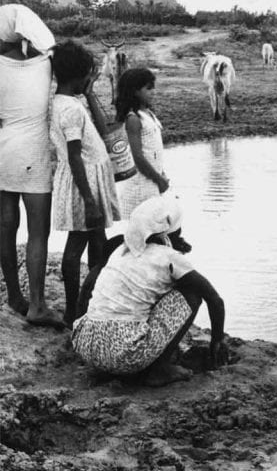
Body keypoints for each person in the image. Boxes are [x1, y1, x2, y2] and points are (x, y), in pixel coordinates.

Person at [71, 195, 226, 386]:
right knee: (191, 294)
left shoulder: (120, 250)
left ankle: (112, 364)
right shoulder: (169, 258)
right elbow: (215, 300)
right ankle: (160, 370)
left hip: (86, 346)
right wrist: (217, 340)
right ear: (171, 232)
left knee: (148, 293)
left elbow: (88, 288)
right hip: (123, 356)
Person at [49, 40, 122, 327]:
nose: (89, 80)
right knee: (76, 246)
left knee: (98, 242)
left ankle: (91, 304)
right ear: (79, 75)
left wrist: (89, 94)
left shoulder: (69, 102)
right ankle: (72, 311)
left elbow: (103, 133)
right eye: (88, 76)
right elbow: (75, 156)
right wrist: (90, 200)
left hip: (89, 180)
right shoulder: (70, 110)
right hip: (85, 185)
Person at [0, 31, 57, 325]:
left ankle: (13, 295)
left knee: (6, 227)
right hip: (33, 152)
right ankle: (37, 304)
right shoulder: (46, 63)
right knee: (38, 232)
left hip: (3, 149)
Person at [115, 68, 191, 251]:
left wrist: (161, 174)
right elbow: (138, 157)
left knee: (156, 226)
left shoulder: (148, 115)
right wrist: (158, 178)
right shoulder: (133, 119)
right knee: (146, 230)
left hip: (153, 180)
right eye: (148, 88)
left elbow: (153, 151)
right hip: (142, 184)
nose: (152, 92)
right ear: (135, 91)